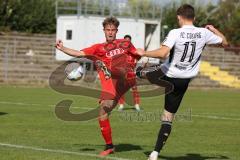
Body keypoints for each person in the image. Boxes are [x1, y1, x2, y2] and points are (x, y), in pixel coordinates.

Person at [136, 4, 228, 160]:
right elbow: (225, 42)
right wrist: (213, 29)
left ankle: (135, 73)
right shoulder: (204, 33)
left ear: (179, 17)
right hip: (183, 81)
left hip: (169, 75)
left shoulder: (175, 32)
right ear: (194, 18)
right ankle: (155, 153)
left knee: (144, 73)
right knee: (168, 116)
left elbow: (163, 53)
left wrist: (144, 52)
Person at [55, 16, 141, 156]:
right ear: (104, 31)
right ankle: (109, 146)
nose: (111, 32)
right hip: (109, 87)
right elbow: (79, 53)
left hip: (123, 82)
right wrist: (62, 48)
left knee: (104, 109)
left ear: (117, 31)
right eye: (108, 30)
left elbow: (136, 55)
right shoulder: (98, 48)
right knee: (102, 114)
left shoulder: (125, 44)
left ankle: (109, 146)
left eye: (113, 30)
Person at [118, 34, 141, 111]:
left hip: (131, 73)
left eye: (128, 41)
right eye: (125, 41)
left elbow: (140, 56)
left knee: (134, 89)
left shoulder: (134, 52)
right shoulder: (121, 52)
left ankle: (137, 105)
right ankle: (121, 105)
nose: (127, 42)